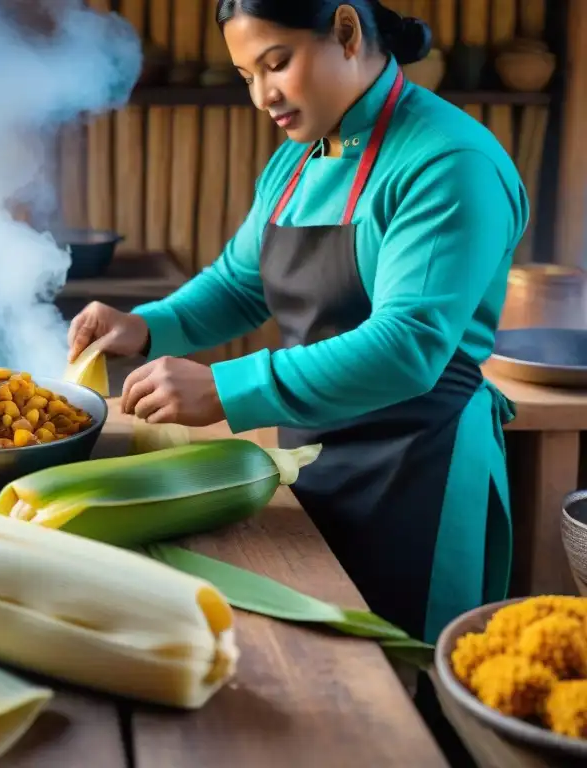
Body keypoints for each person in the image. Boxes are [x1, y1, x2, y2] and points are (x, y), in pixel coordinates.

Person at [67, 0, 529, 646]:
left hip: (418, 470)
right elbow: (239, 283)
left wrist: (226, 390)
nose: (262, 95)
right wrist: (146, 327)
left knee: (406, 695)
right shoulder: (298, 158)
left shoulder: (449, 161)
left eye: (275, 64)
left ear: (345, 31)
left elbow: (407, 348)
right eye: (245, 75)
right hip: (312, 458)